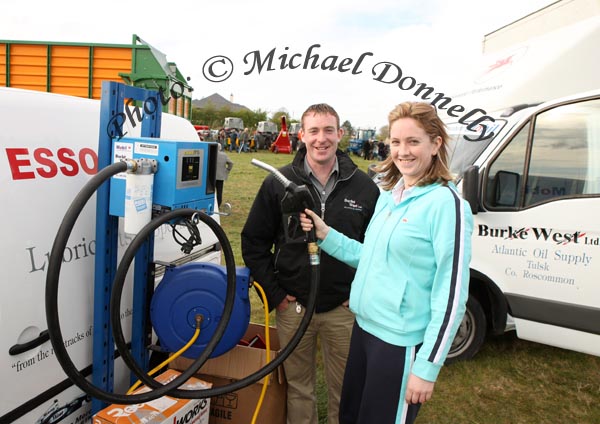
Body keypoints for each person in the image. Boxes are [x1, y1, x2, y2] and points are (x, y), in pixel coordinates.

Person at [300, 101, 474, 424]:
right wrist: (326, 235)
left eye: (413, 141)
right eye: (396, 142)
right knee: (350, 416)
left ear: (436, 144)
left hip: (399, 346)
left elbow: (451, 297)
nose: (402, 151)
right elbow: (371, 255)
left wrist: (427, 367)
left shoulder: (447, 205)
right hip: (364, 330)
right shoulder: (391, 195)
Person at [241, 103, 379, 424]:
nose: (321, 139)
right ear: (301, 135)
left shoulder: (364, 187)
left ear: (340, 134)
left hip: (344, 310)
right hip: (294, 308)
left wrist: (360, 292)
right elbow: (254, 242)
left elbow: (378, 251)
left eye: (328, 130)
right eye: (313, 131)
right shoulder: (279, 182)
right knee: (299, 389)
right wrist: (276, 295)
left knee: (346, 389)